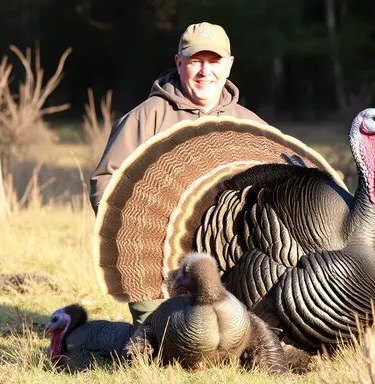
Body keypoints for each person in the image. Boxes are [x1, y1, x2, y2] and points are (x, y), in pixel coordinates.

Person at [89, 22, 266, 326]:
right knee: (166, 343)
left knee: (240, 340)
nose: (204, 71)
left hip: (231, 257)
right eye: (196, 61)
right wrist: (140, 232)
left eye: (214, 62)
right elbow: (107, 183)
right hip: (160, 258)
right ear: (179, 62)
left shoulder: (251, 125)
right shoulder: (147, 117)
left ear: (229, 66)